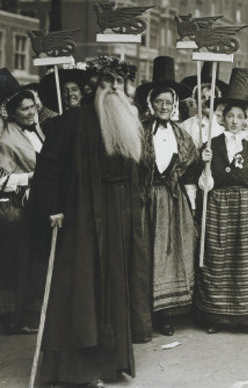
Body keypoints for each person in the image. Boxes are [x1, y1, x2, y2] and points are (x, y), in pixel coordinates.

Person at [31, 61, 147, 386]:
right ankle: (76, 372)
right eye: (108, 83)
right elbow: (49, 166)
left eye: (120, 84)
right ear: (94, 88)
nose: (114, 90)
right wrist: (52, 207)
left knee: (113, 288)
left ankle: (111, 364)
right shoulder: (74, 120)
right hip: (81, 217)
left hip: (115, 219)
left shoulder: (125, 119)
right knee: (81, 292)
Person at [195, 68, 248, 334]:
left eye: (240, 116)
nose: (235, 121)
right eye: (230, 116)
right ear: (222, 117)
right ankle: (216, 317)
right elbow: (205, 186)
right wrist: (204, 165)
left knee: (245, 260)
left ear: (247, 119)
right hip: (217, 206)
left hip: (246, 208)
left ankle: (246, 317)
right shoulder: (210, 145)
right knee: (218, 258)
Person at [136, 56, 197, 337]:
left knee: (172, 253)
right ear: (151, 103)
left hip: (173, 200)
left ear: (175, 106)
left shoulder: (182, 135)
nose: (164, 106)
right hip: (146, 199)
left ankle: (167, 314)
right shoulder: (139, 132)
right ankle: (144, 310)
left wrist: (203, 159)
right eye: (159, 101)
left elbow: (191, 166)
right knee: (147, 253)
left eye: (169, 103)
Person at [0, 70, 45, 335]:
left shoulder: (38, 128)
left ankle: (35, 313)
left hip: (39, 204)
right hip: (17, 209)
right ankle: (18, 318)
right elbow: (1, 179)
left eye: (32, 107)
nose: (30, 113)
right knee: (22, 263)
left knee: (37, 261)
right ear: (13, 113)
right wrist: (31, 177)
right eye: (24, 109)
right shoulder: (6, 139)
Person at [180, 63, 227, 149]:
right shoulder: (186, 125)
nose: (207, 101)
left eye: (210, 97)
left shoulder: (224, 126)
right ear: (196, 101)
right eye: (202, 97)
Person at [38, 66, 87, 138]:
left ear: (82, 93)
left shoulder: (89, 119)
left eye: (74, 89)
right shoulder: (53, 124)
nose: (70, 94)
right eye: (65, 91)